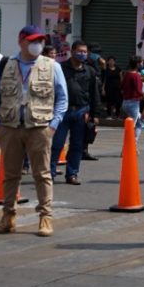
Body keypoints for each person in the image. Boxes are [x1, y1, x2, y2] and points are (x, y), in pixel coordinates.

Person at [0, 25, 68, 237]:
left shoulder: (51, 66)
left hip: (39, 128)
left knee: (42, 174)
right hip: (10, 127)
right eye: (32, 40)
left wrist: (52, 126)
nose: (37, 45)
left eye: (40, 41)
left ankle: (45, 218)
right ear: (21, 41)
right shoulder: (6, 64)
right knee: (11, 175)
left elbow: (62, 98)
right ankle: (8, 218)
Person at [49, 41, 101, 185]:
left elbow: (94, 93)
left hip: (81, 111)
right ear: (72, 51)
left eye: (85, 52)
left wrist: (95, 114)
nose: (82, 54)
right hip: (62, 111)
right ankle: (50, 174)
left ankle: (72, 174)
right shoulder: (60, 68)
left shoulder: (90, 71)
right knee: (57, 144)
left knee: (77, 145)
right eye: (79, 51)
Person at [121, 56, 144, 138]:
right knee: (132, 126)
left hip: (125, 102)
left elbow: (122, 86)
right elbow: (139, 90)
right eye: (141, 62)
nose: (142, 64)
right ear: (137, 64)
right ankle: (128, 146)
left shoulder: (127, 74)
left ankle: (134, 145)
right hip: (133, 103)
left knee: (139, 124)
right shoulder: (136, 76)